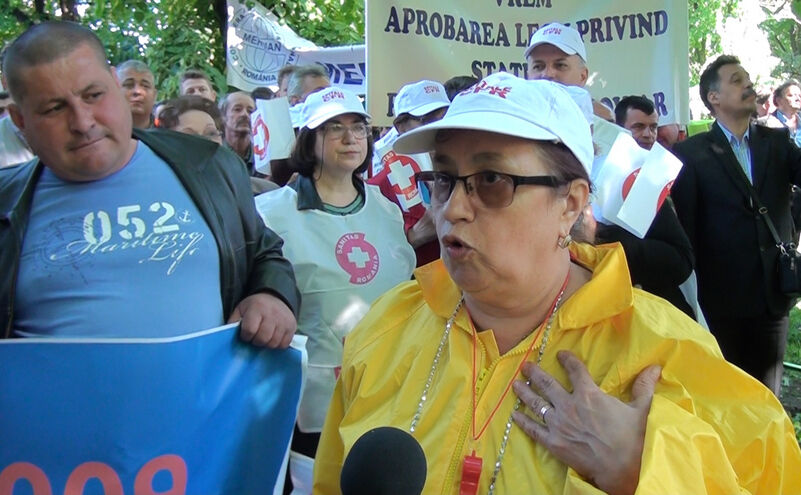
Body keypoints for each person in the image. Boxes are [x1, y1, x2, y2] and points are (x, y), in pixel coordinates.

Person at [312, 72, 801, 495]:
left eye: (490, 180)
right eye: (443, 179)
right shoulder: (385, 330)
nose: (451, 209)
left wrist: (646, 469)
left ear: (571, 204)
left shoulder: (666, 355)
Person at [0, 21, 299, 346]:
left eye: (93, 95)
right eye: (54, 108)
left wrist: (272, 294)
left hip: (206, 397)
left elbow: (262, 251)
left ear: (114, 82)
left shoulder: (208, 166)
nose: (83, 122)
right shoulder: (7, 203)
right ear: (19, 120)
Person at [255, 86, 416, 492]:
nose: (350, 138)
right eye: (334, 128)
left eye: (358, 127)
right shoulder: (272, 213)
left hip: (389, 387)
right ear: (309, 139)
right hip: (308, 405)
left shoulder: (385, 207)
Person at [672, 55, 801, 395]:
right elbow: (685, 229)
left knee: (767, 398)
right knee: (726, 399)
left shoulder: (778, 142)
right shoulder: (691, 153)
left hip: (773, 296)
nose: (747, 84)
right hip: (720, 303)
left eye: (746, 77)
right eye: (735, 79)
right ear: (713, 98)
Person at [369, 79, 450, 266]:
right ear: (400, 127)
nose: (439, 127)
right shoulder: (377, 189)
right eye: (427, 119)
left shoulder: (469, 173)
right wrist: (414, 236)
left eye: (445, 117)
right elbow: (369, 261)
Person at [525, 22, 614, 121]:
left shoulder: (606, 133)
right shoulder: (509, 126)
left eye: (560, 65)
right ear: (528, 75)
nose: (547, 74)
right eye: (538, 66)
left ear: (583, 76)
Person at [220, 90, 257, 170]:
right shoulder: (214, 156)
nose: (245, 114)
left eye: (250, 111)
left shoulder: (263, 158)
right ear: (223, 115)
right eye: (237, 109)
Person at [116, 59, 156, 129]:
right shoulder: (100, 134)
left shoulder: (167, 137)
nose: (138, 91)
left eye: (145, 86)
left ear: (154, 96)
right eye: (129, 85)